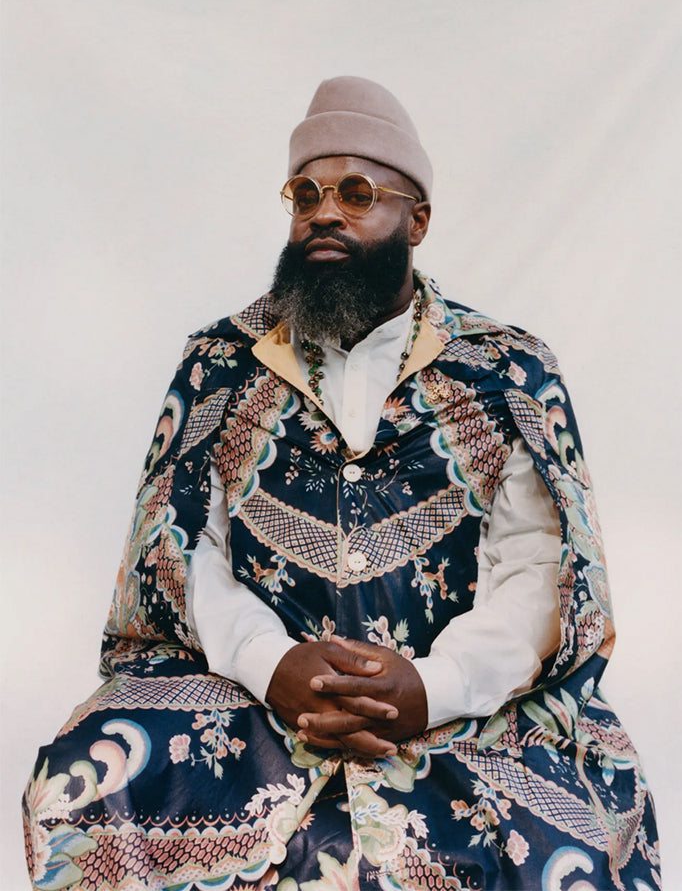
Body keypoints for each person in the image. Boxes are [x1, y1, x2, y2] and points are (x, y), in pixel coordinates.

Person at [23, 77, 660, 891]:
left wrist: (430, 687)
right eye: (307, 194)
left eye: (357, 192)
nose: (325, 212)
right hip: (251, 698)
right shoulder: (222, 362)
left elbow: (541, 572)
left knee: (557, 834)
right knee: (93, 777)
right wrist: (273, 663)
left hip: (465, 710)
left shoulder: (507, 370)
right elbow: (182, 553)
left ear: (416, 219)